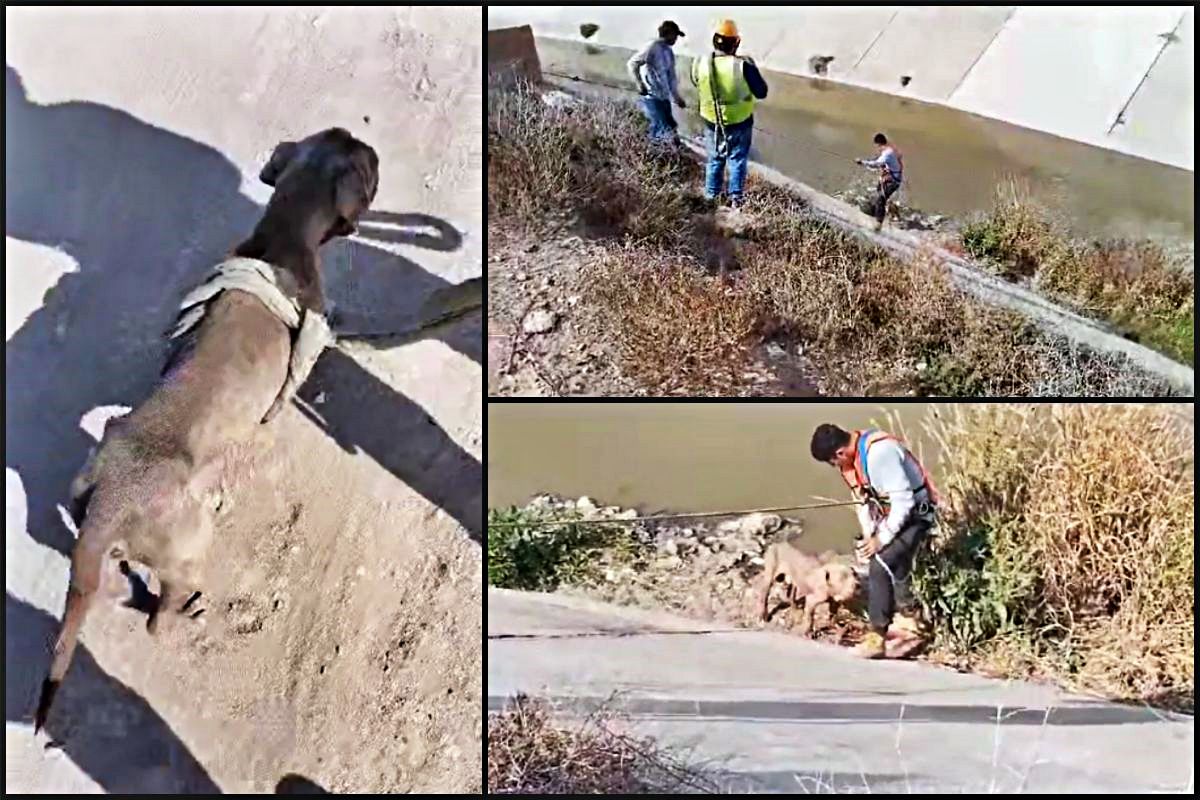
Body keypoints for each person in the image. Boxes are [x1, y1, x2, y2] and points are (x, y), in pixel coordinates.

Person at [810, 423, 938, 659]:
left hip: (918, 514)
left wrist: (881, 540)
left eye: (832, 462)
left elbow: (904, 502)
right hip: (892, 517)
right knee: (893, 563)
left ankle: (877, 635)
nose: (834, 467)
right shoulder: (852, 462)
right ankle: (912, 620)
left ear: (840, 453)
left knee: (880, 563)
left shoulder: (881, 453)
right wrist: (870, 534)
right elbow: (863, 501)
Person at [690, 19, 768, 208]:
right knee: (737, 160)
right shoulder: (743, 66)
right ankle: (735, 200)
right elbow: (761, 92)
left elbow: (695, 81)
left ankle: (711, 196)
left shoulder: (700, 62)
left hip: (711, 121)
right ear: (736, 42)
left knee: (715, 158)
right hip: (740, 122)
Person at [627, 20, 688, 144]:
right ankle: (655, 156)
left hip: (663, 97)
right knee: (662, 131)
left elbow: (671, 77)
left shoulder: (669, 52)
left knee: (670, 127)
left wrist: (677, 97)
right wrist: (639, 84)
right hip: (651, 97)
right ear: (668, 33)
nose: (676, 39)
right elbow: (632, 63)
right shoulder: (652, 47)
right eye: (675, 35)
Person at [856, 132, 904, 231]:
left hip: (893, 181)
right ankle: (886, 210)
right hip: (893, 177)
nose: (877, 148)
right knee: (879, 192)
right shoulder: (890, 149)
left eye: (877, 145)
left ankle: (878, 223)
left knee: (880, 199)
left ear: (879, 144)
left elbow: (877, 163)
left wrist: (862, 162)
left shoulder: (887, 153)